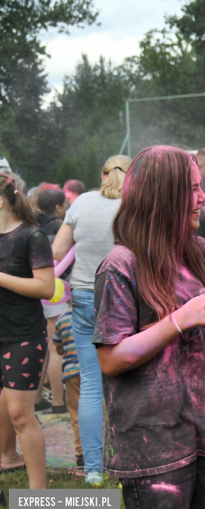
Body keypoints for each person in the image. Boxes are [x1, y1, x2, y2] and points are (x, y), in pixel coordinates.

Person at [93, 145, 205, 509]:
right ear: (161, 194)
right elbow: (111, 359)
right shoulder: (121, 264)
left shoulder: (200, 250)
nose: (203, 198)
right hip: (154, 443)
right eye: (192, 189)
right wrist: (178, 319)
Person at [51, 154, 130, 484]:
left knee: (90, 387)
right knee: (127, 384)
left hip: (83, 294)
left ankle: (94, 470)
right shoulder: (135, 206)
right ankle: (126, 460)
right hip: (124, 296)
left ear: (102, 175)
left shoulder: (82, 202)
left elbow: (56, 250)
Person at [0, 172, 55, 490]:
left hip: (23, 334)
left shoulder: (31, 236)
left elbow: (46, 287)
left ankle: (39, 495)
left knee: (21, 414)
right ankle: (6, 457)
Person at [34, 188, 70, 414]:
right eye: (65, 204)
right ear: (57, 207)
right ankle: (58, 401)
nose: (67, 208)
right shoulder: (60, 228)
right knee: (56, 349)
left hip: (34, 288)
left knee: (43, 348)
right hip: (55, 290)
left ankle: (37, 398)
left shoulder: (30, 223)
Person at [52, 308, 83, 467]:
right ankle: (99, 450)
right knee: (98, 410)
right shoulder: (94, 313)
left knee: (76, 413)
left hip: (71, 373)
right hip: (92, 372)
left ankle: (81, 452)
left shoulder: (62, 319)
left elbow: (58, 348)